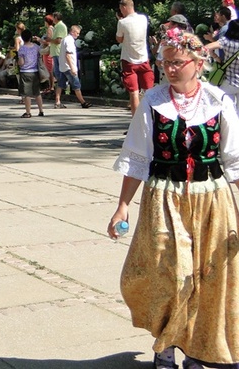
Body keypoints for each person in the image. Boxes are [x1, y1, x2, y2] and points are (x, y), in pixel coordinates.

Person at [108, 31, 239, 369]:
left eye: (177, 62)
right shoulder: (153, 101)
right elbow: (137, 157)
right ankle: (165, 344)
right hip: (164, 198)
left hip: (212, 200)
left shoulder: (218, 100)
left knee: (207, 277)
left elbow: (234, 160)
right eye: (165, 62)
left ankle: (196, 349)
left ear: (198, 64)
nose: (169, 68)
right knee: (171, 273)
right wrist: (122, 205)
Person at [116, 0, 155, 115]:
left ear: (124, 7)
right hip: (143, 59)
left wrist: (120, 20)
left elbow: (119, 39)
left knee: (134, 92)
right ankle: (151, 119)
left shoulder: (122, 22)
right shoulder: (144, 18)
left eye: (121, 9)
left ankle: (136, 123)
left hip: (129, 61)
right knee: (149, 91)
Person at [206, 19, 239, 113]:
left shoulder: (226, 41)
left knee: (227, 111)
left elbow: (207, 47)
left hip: (229, 82)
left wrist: (216, 58)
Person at [55, 25, 92, 109]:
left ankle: (57, 101)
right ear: (73, 32)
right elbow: (68, 55)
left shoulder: (65, 39)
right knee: (76, 85)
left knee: (60, 84)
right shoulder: (70, 41)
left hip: (62, 66)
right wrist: (72, 68)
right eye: (77, 33)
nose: (78, 35)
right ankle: (83, 102)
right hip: (69, 67)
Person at [17, 30, 44, 117]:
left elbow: (21, 62)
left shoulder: (22, 48)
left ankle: (28, 112)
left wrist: (17, 62)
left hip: (25, 72)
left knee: (26, 93)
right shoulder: (36, 47)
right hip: (35, 71)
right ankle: (41, 110)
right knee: (37, 92)